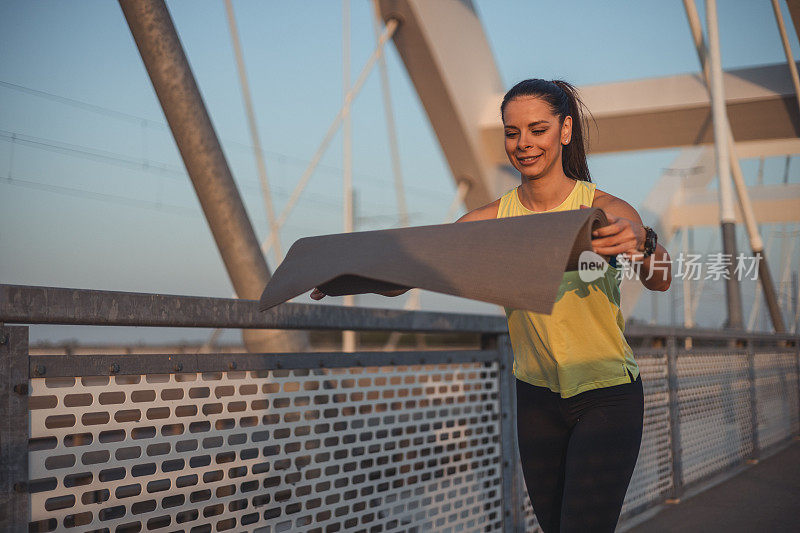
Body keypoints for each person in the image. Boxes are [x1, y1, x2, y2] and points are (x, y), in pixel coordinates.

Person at [311, 78, 671, 532]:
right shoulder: (488, 223)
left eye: (537, 130)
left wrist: (644, 241)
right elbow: (409, 272)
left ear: (564, 131)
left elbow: (660, 281)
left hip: (607, 395)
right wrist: (339, 274)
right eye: (512, 132)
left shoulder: (605, 210)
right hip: (536, 398)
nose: (523, 144)